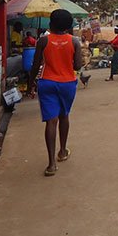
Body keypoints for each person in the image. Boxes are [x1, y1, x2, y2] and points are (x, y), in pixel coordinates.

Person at [26, 9, 83, 177]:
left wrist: (30, 85)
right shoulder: (75, 41)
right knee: (64, 116)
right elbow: (77, 66)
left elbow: (35, 65)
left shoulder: (43, 41)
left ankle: (51, 165)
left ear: (50, 24)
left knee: (51, 122)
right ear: (68, 25)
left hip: (47, 83)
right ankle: (63, 151)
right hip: (67, 84)